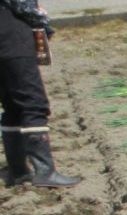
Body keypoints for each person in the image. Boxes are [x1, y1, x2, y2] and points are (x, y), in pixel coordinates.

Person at [0, 0, 80, 188]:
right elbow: (23, 5)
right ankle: (45, 171)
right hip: (12, 37)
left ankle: (18, 171)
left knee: (11, 104)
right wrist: (42, 20)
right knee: (34, 103)